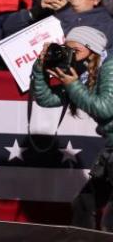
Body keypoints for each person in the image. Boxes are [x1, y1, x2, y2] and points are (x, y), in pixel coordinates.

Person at [32, 26, 113, 230]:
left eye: (75, 51)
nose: (70, 56)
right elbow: (46, 99)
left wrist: (73, 85)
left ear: (92, 49)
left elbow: (105, 109)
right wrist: (40, 69)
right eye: (66, 50)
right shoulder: (82, 74)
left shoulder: (110, 67)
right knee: (84, 205)